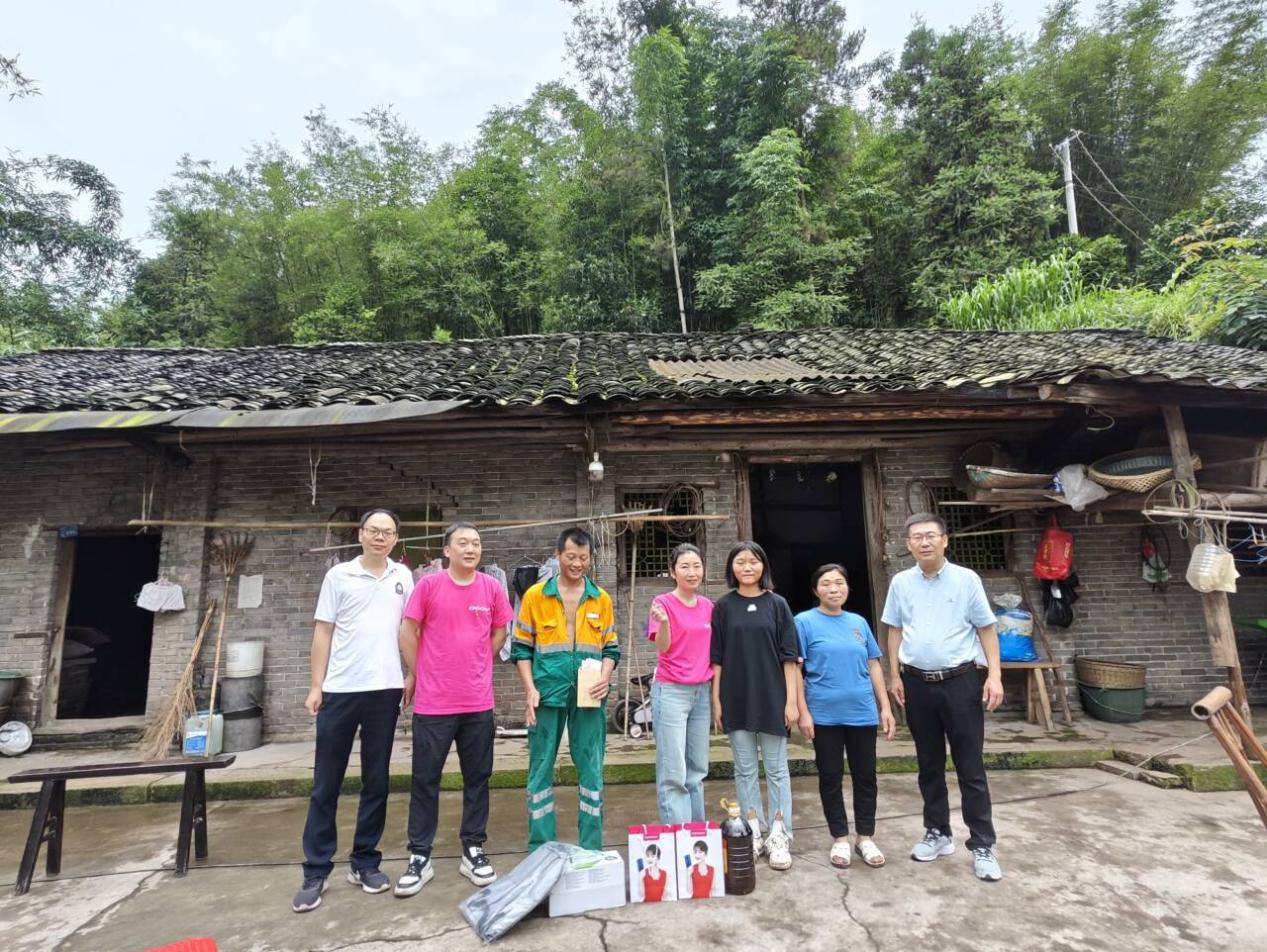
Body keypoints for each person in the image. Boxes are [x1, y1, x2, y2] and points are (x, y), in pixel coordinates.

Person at [293, 509, 414, 913]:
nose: (381, 537)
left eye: (388, 532)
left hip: (385, 690)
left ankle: (365, 861)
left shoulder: (403, 576)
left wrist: (412, 673)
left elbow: (408, 630)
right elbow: (323, 630)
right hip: (340, 689)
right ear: (361, 534)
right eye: (374, 530)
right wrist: (316, 685)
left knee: (376, 781)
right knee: (326, 782)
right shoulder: (338, 575)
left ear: (395, 539)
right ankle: (316, 869)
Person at [882, 512, 1005, 882]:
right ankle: (937, 832)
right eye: (917, 537)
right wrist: (894, 674)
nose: (924, 542)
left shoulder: (966, 580)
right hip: (917, 683)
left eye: (931, 535)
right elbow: (894, 629)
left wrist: (994, 675)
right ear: (908, 544)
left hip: (960, 682)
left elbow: (986, 628)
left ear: (945, 540)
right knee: (929, 764)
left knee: (970, 766)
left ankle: (982, 843)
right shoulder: (901, 582)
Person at [394, 522, 513, 897]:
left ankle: (473, 848)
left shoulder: (491, 587)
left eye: (476, 543)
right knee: (425, 779)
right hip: (434, 703)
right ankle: (419, 855)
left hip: (477, 701)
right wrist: (419, 672)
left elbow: (501, 631)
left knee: (477, 778)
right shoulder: (429, 586)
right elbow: (407, 631)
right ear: (447, 550)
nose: (471, 548)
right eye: (463, 543)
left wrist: (480, 659)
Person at [512, 527, 619, 851]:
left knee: (591, 769)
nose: (577, 564)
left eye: (583, 558)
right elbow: (521, 649)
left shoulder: (601, 598)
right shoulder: (535, 596)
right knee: (540, 767)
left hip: (590, 695)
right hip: (547, 692)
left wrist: (605, 676)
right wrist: (529, 689)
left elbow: (611, 648)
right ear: (557, 555)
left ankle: (591, 847)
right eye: (571, 557)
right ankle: (541, 848)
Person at [795, 564, 896, 870]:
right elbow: (795, 669)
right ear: (816, 590)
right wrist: (803, 711)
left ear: (848, 587)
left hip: (862, 712)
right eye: (826, 583)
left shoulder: (858, 622)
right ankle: (839, 836)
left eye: (839, 583)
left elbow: (874, 665)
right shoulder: (803, 622)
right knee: (830, 776)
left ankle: (865, 837)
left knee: (866, 776)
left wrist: (885, 707)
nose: (834, 589)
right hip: (823, 714)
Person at [710, 541, 799, 871]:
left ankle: (779, 834)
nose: (747, 567)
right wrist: (716, 699)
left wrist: (792, 702)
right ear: (731, 568)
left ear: (764, 566)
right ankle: (753, 830)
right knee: (744, 769)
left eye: (753, 561)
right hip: (736, 697)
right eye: (740, 562)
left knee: (776, 770)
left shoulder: (777, 604)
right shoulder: (723, 606)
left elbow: (790, 657)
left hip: (774, 697)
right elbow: (717, 658)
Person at [647, 543, 714, 824]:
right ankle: (677, 836)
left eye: (696, 566)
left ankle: (697, 835)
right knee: (673, 772)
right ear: (673, 572)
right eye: (684, 566)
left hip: (701, 693)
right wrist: (663, 623)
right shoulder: (662, 603)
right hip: (671, 691)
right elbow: (662, 647)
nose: (692, 572)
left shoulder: (708, 606)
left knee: (697, 770)